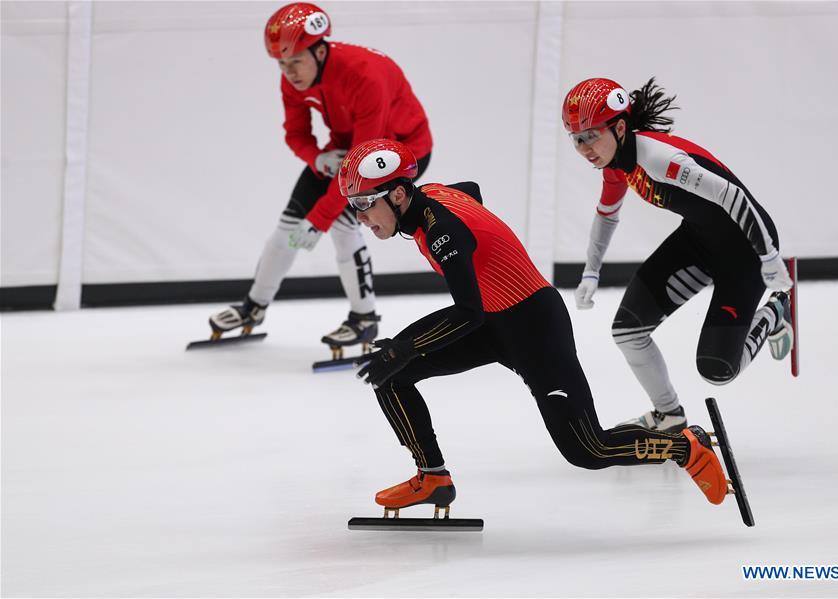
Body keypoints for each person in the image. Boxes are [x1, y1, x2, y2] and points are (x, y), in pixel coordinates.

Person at [338, 137, 730, 514]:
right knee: (392, 374)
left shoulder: (443, 231)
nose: (360, 217)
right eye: (354, 205)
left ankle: (686, 447)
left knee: (588, 449)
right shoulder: (432, 197)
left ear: (399, 194)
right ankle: (433, 478)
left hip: (533, 326)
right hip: (493, 321)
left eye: (364, 203)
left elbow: (466, 312)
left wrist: (406, 346)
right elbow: (470, 190)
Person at [563, 77, 794, 433]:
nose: (584, 148)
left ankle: (777, 311)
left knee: (718, 370)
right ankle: (669, 416)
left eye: (591, 135)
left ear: (620, 128)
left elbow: (731, 195)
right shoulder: (616, 163)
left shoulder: (660, 159)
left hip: (746, 251)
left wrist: (768, 255)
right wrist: (591, 272)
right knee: (628, 332)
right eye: (576, 139)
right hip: (700, 241)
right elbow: (606, 214)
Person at [209, 3, 432, 353]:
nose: (289, 72)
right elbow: (295, 133)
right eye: (281, 64)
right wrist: (316, 157)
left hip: (394, 154)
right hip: (345, 150)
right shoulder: (293, 78)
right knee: (286, 230)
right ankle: (254, 306)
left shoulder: (366, 76)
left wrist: (318, 220)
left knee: (343, 227)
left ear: (321, 50)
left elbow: (363, 163)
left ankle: (364, 318)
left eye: (296, 61)